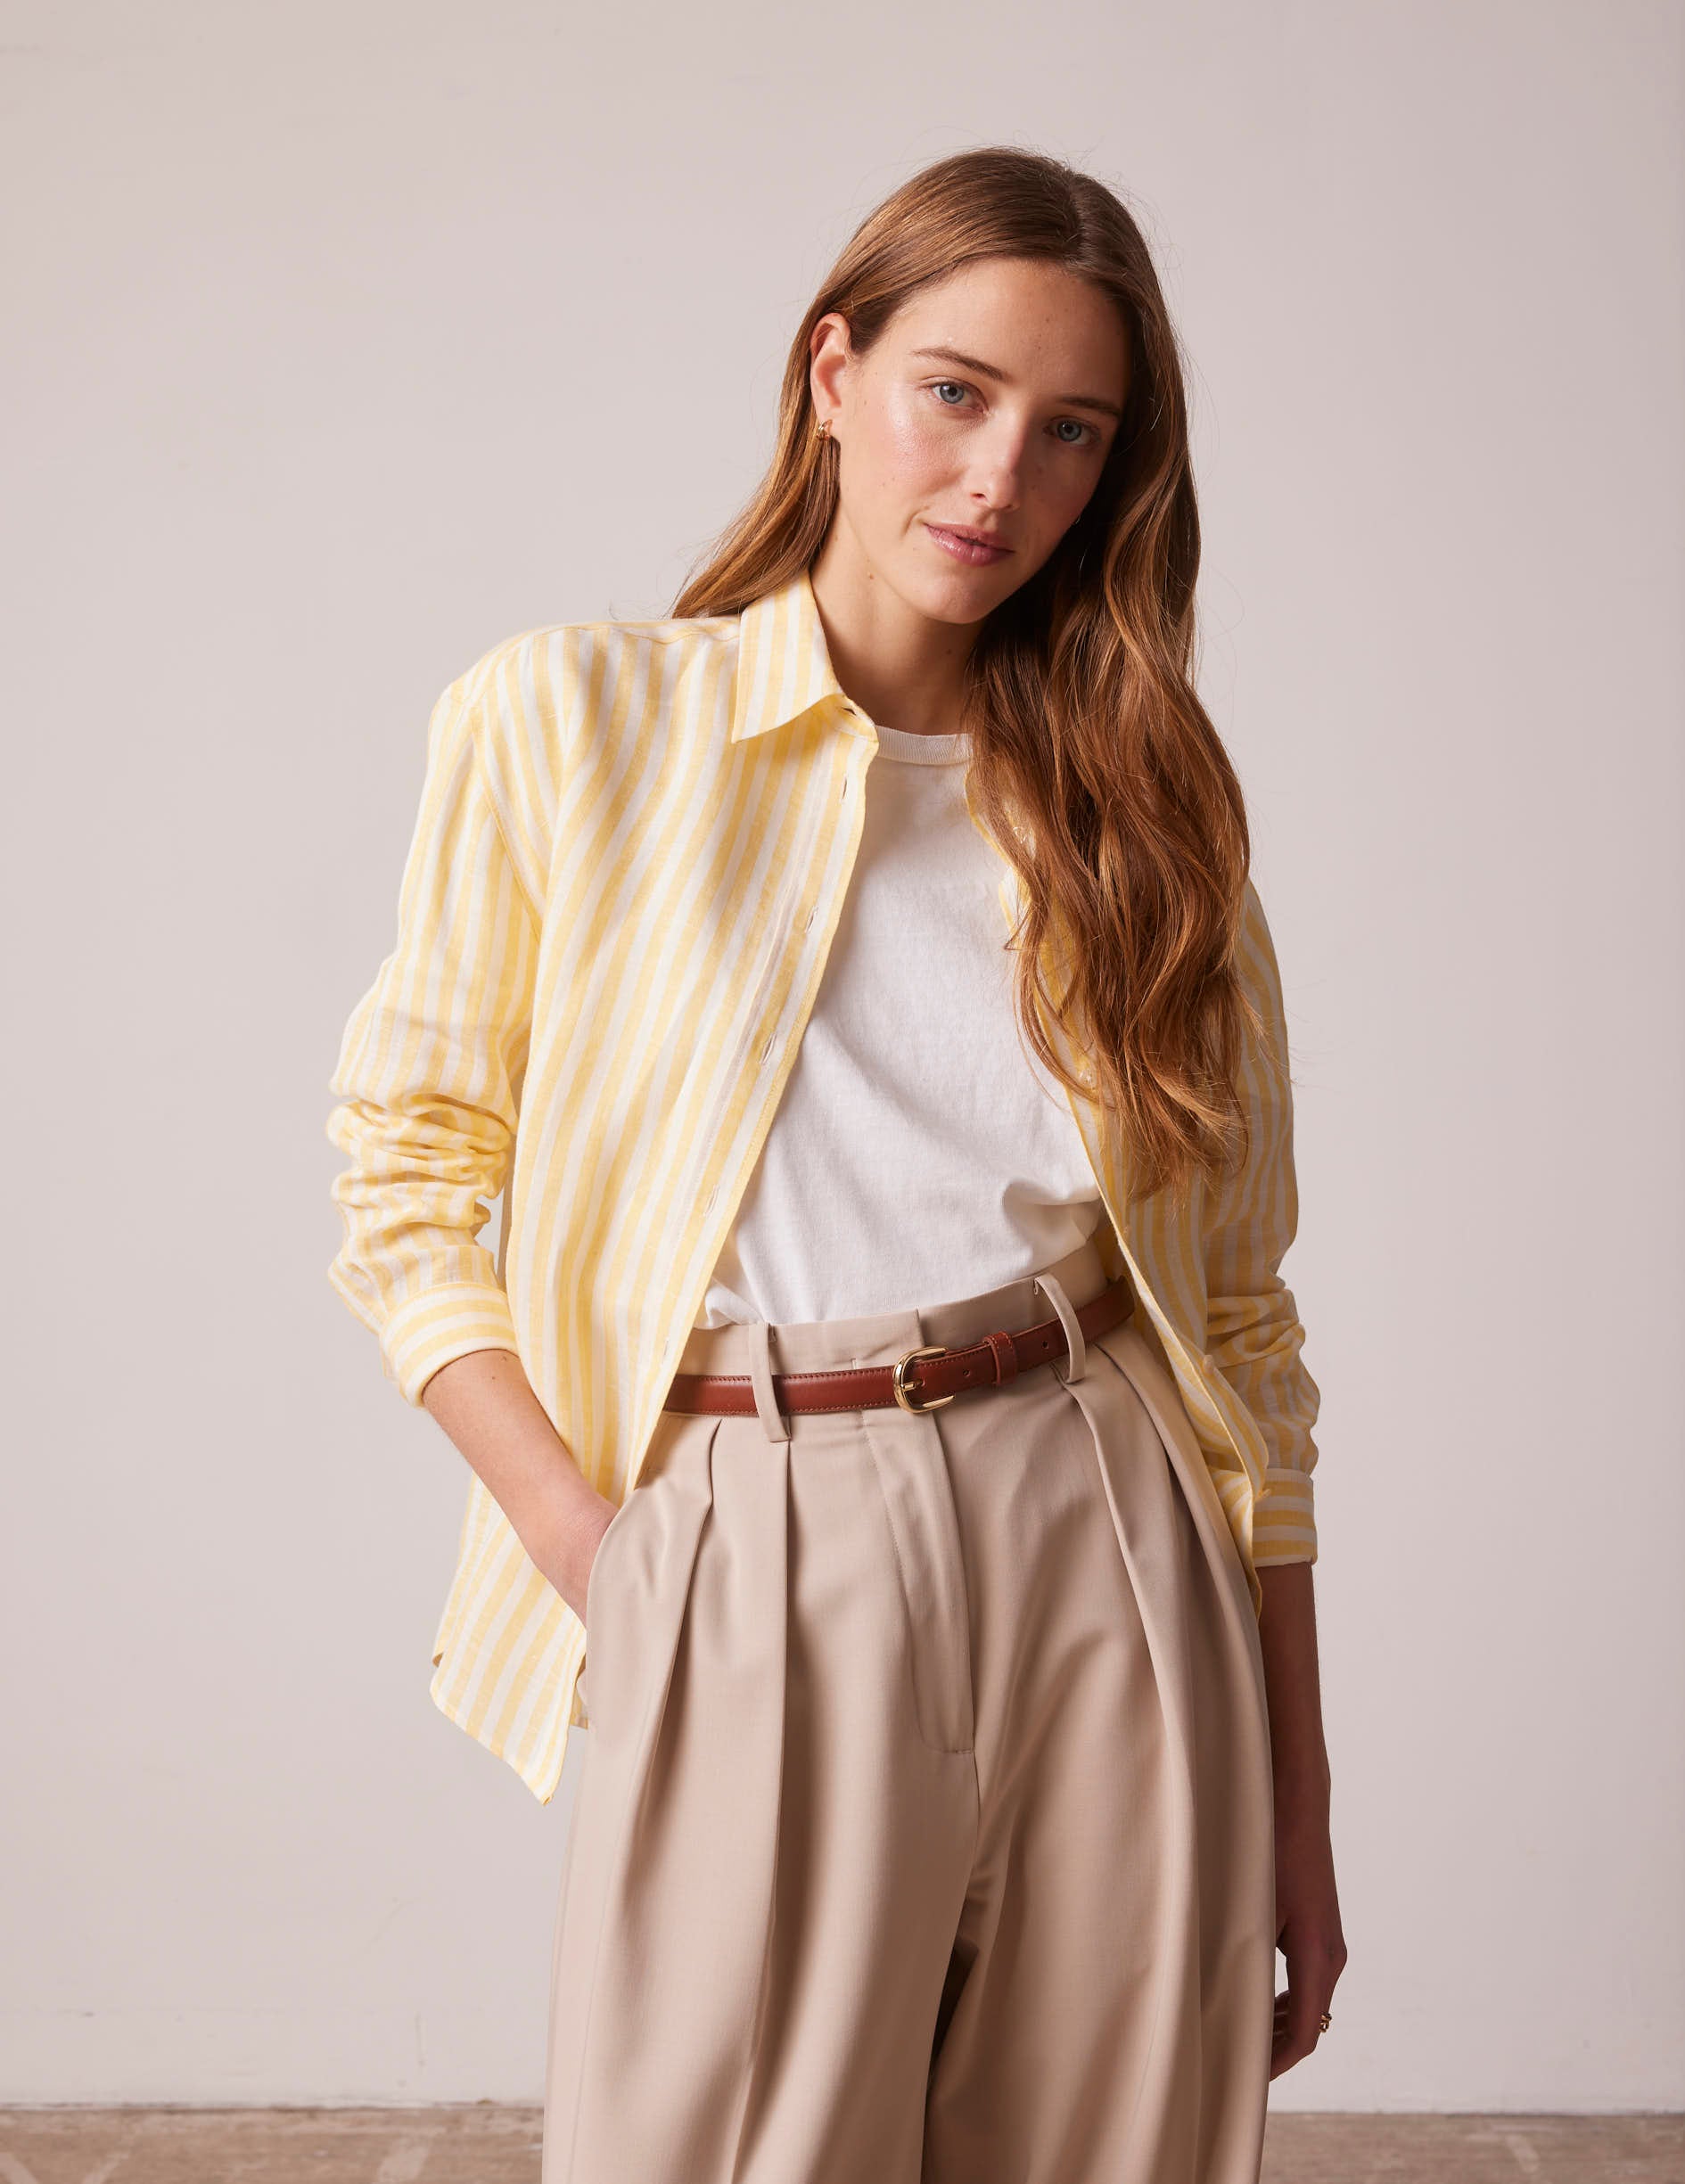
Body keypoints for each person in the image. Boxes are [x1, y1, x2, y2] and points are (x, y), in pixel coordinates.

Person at [325, 144, 1346, 2184]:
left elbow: (1240, 1321)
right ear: (834, 373)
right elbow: (405, 1176)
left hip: (1104, 1514)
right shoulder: (575, 723)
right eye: (956, 392)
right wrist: (597, 1552)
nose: (999, 477)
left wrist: (1300, 1804)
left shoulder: (1152, 813)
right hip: (754, 1522)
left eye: (1072, 432)